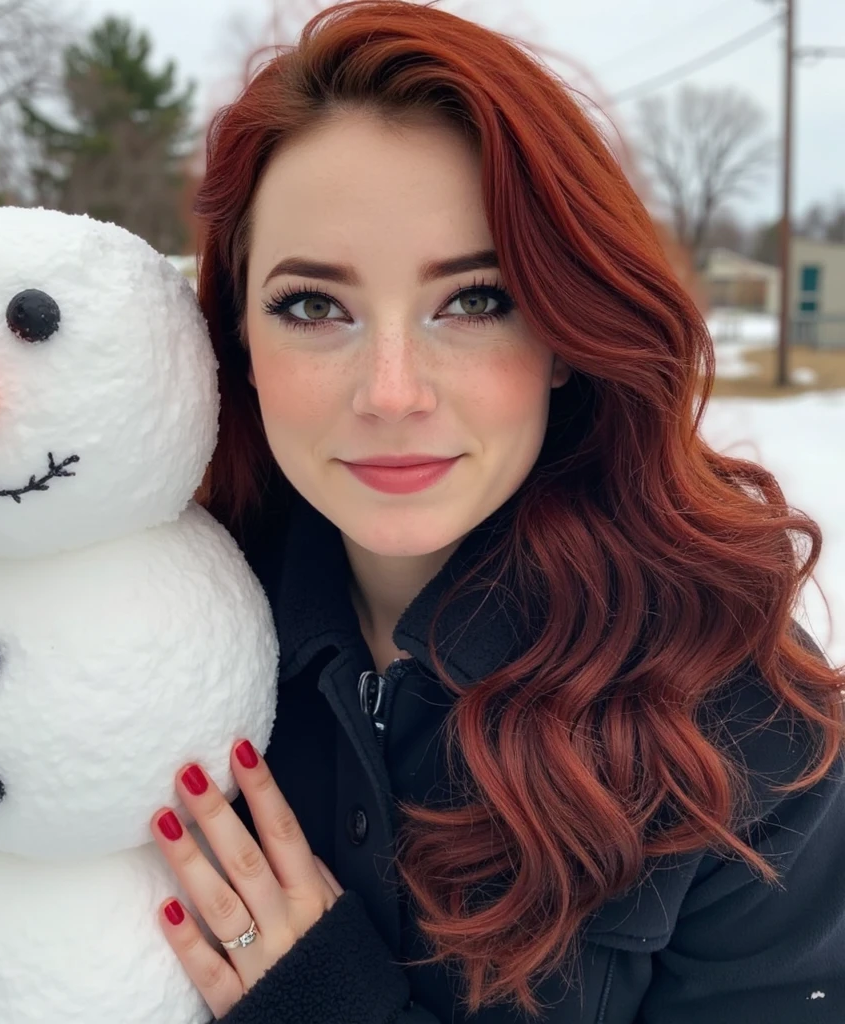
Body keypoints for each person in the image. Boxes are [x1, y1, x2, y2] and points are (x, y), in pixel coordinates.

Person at [145, 2, 845, 1021]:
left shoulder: (739, 729)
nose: (391, 392)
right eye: (312, 305)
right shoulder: (139, 640)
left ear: (566, 331)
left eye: (475, 299)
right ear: (238, 340)